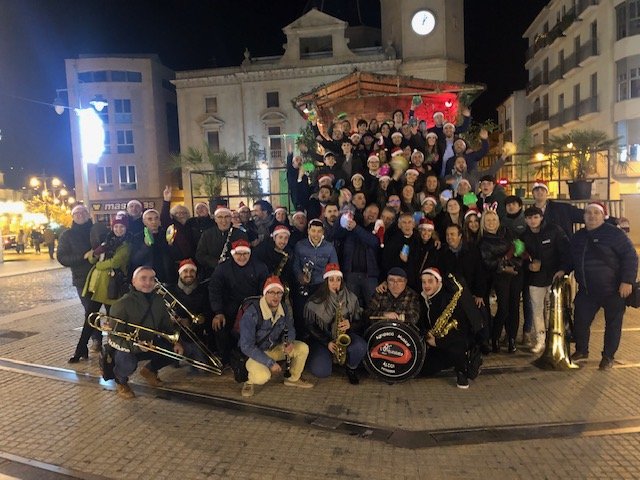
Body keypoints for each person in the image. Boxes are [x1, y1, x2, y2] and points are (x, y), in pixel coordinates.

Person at [558, 202, 638, 370]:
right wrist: (563, 270)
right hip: (587, 291)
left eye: (596, 213)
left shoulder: (615, 234)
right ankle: (582, 350)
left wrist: (627, 281)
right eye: (589, 213)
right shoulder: (578, 236)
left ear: (603, 216)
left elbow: (630, 257)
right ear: (584, 216)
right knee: (580, 322)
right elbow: (572, 258)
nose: (592, 216)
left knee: (613, 325)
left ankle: (608, 357)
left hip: (614, 291)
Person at [108, 266, 186, 399]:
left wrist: (176, 342)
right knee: (128, 363)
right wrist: (136, 347)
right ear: (133, 282)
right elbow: (113, 338)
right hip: (128, 347)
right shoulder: (122, 304)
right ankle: (121, 381)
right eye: (143, 279)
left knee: (177, 352)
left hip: (149, 343)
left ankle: (150, 370)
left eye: (152, 279)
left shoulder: (159, 301)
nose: (148, 282)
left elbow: (166, 326)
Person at [69, 215, 131, 363]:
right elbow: (91, 258)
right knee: (90, 319)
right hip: (96, 286)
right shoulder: (106, 242)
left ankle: (113, 351)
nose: (119, 229)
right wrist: (97, 252)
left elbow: (115, 262)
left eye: (122, 227)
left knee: (112, 321)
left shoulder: (126, 245)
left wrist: (98, 264)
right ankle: (80, 349)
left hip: (112, 288)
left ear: (126, 228)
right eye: (116, 226)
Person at [239, 276, 313, 397]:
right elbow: (246, 346)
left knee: (302, 348)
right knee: (262, 377)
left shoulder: (283, 308)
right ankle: (249, 381)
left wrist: (289, 342)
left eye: (279, 293)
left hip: (274, 348)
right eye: (272, 292)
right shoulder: (252, 313)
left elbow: (290, 327)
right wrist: (270, 363)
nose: (276, 296)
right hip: (255, 353)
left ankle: (293, 378)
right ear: (265, 293)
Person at [418, 268, 481, 389]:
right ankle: (452, 361)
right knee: (424, 370)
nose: (426, 285)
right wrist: (427, 334)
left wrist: (438, 342)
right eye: (424, 282)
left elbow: (461, 331)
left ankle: (462, 369)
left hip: (454, 341)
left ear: (438, 282)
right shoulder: (423, 298)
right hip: (437, 342)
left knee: (457, 347)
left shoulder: (450, 299)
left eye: (430, 281)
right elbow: (422, 323)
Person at [209, 239, 269, 365]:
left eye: (245, 253)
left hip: (252, 308)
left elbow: (264, 293)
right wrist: (218, 312)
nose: (242, 257)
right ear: (233, 254)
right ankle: (226, 359)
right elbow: (214, 289)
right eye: (238, 254)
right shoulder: (222, 268)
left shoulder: (260, 267)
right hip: (228, 308)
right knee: (219, 326)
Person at [304, 264, 366, 384]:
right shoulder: (315, 301)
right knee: (322, 371)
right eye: (331, 280)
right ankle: (327, 358)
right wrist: (327, 342)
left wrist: (350, 324)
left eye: (338, 280)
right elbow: (310, 327)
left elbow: (361, 321)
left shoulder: (351, 298)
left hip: (343, 336)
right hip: (322, 340)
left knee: (360, 346)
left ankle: (351, 368)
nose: (335, 283)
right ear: (326, 282)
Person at [520, 206, 570, 353]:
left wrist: (563, 269)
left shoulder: (554, 230)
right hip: (535, 279)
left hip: (554, 277)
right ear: (525, 220)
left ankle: (555, 339)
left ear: (541, 217)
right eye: (529, 218)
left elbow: (565, 251)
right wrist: (529, 266)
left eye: (536, 217)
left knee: (554, 310)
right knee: (537, 310)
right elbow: (520, 258)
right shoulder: (523, 236)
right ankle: (540, 340)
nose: (533, 221)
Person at [57, 205, 103, 355]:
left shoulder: (97, 230)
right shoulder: (67, 235)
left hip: (103, 276)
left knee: (112, 310)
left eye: (83, 212)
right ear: (73, 216)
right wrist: (82, 257)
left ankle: (117, 342)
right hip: (82, 279)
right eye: (77, 213)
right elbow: (62, 258)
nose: (80, 215)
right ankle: (96, 339)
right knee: (90, 310)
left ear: (88, 214)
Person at [196, 205, 248, 277]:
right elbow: (200, 255)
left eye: (227, 217)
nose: (224, 220)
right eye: (220, 217)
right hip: (212, 273)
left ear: (231, 218)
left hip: (235, 273)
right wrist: (215, 262)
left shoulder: (240, 234)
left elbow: (246, 254)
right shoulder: (207, 234)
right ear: (215, 219)